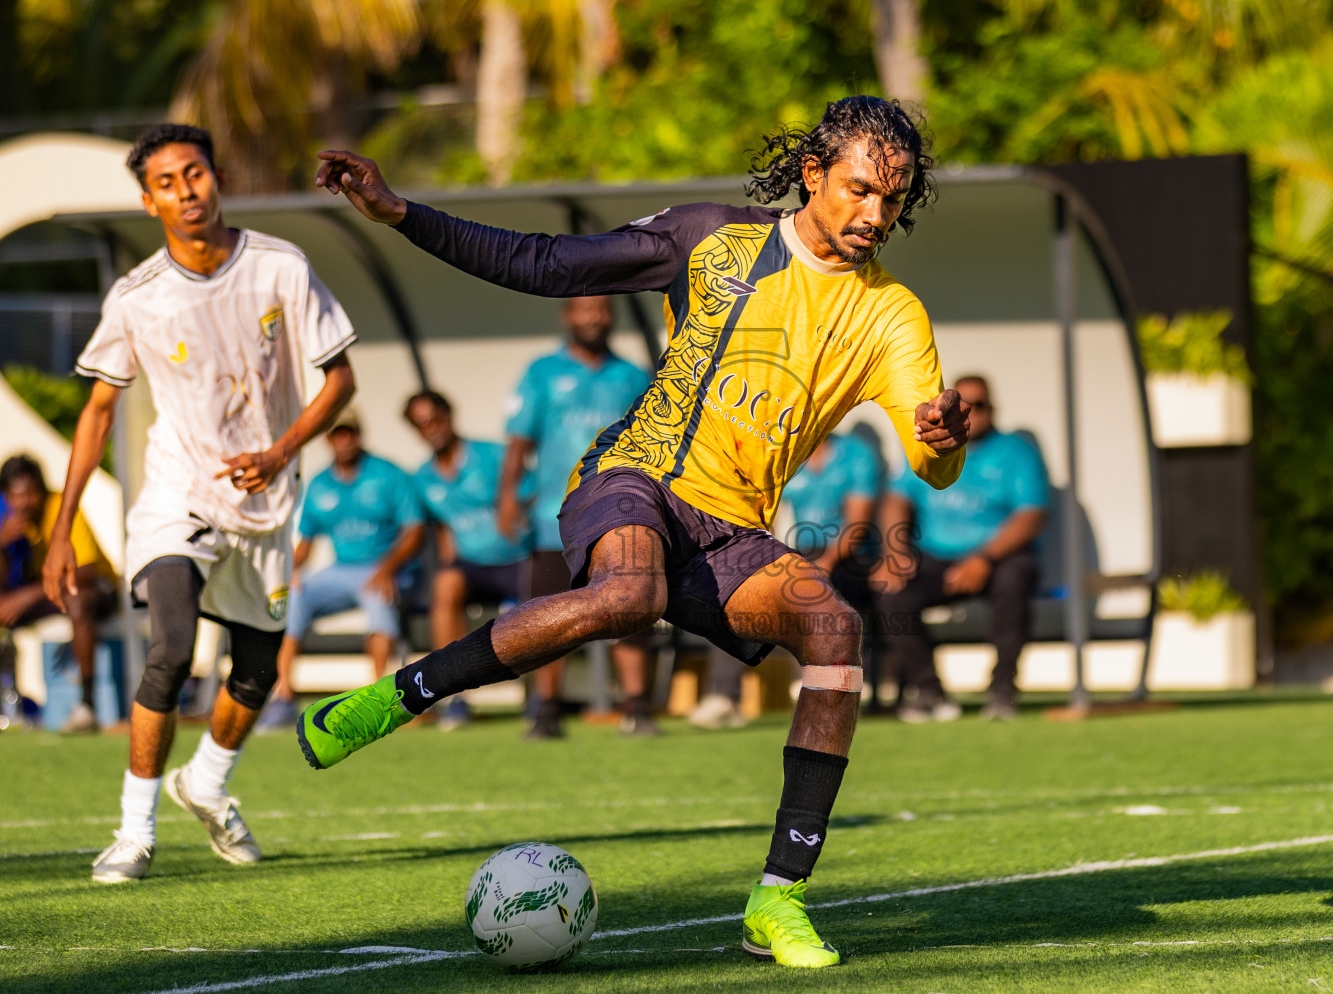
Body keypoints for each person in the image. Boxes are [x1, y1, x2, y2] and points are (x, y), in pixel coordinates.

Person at [301, 95, 968, 968]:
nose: (875, 214)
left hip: (732, 528)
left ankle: (778, 901)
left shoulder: (893, 316)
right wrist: (400, 215)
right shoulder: (711, 238)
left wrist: (942, 441)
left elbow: (932, 460)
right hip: (634, 475)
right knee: (628, 594)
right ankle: (399, 697)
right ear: (813, 174)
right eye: (858, 190)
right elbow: (546, 264)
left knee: (835, 629)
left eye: (893, 197)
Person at [43, 124, 356, 883]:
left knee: (255, 671)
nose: (187, 192)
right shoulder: (137, 298)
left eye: (196, 174)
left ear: (217, 178)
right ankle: (133, 833)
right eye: (168, 182)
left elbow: (340, 381)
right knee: (172, 647)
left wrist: (280, 453)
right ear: (148, 201)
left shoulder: (282, 266)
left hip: (268, 501)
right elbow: (96, 413)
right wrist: (61, 534)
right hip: (180, 492)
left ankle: (207, 785)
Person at [501, 294, 656, 738]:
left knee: (630, 605)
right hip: (554, 516)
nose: (594, 316)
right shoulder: (541, 372)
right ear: (567, 316)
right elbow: (518, 441)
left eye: (603, 308)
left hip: (621, 513)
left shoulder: (632, 375)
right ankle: (547, 709)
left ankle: (638, 707)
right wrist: (508, 498)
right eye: (585, 308)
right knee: (548, 615)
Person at [875, 375, 1050, 723]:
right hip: (936, 556)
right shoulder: (927, 445)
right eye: (959, 405)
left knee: (1014, 579)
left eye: (979, 405)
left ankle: (1003, 689)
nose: (970, 412)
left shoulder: (1016, 452)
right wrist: (894, 551)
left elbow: (1030, 515)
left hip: (996, 556)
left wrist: (983, 559)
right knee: (890, 588)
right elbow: (896, 499)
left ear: (992, 409)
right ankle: (928, 691)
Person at [254, 411, 424, 733]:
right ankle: (283, 698)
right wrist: (287, 573)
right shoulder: (319, 483)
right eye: (338, 433)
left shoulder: (388, 474)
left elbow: (414, 531)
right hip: (342, 569)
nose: (344, 440)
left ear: (360, 435)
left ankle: (379, 699)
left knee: (376, 595)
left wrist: (386, 569)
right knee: (293, 598)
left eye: (350, 433)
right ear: (328, 439)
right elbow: (306, 541)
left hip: (387, 569)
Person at [407, 390, 528, 730]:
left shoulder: (493, 455)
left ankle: (541, 698)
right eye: (421, 424)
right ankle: (455, 698)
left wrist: (514, 510)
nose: (431, 428)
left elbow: (532, 492)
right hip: (472, 566)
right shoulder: (423, 477)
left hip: (517, 558)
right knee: (444, 585)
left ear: (450, 416)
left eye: (435, 419)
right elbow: (441, 523)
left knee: (544, 593)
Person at [0, 454, 115, 733]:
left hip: (96, 587)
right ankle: (9, 703)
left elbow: (84, 571)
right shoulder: (11, 522)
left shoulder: (61, 508)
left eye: (30, 493)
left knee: (76, 599)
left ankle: (87, 705)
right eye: (16, 496)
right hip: (50, 593)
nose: (24, 502)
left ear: (41, 489)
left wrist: (25, 596)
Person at [780, 430, 885, 707]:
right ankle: (724, 696)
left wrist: (825, 564)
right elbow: (764, 510)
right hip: (804, 551)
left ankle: (847, 692)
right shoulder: (785, 451)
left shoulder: (857, 452)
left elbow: (857, 524)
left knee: (837, 607)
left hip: (849, 553)